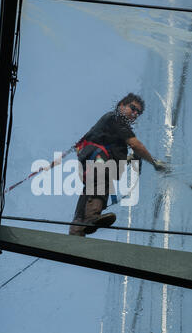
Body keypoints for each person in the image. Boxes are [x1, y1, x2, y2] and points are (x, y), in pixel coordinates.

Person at [69, 93, 168, 237]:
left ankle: (77, 227)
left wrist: (130, 159)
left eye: (138, 112)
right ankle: (91, 217)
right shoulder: (116, 119)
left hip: (95, 161)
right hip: (97, 160)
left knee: (92, 188)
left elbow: (115, 150)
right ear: (121, 105)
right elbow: (135, 144)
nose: (135, 114)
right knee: (101, 179)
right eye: (132, 108)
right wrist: (154, 162)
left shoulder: (114, 126)